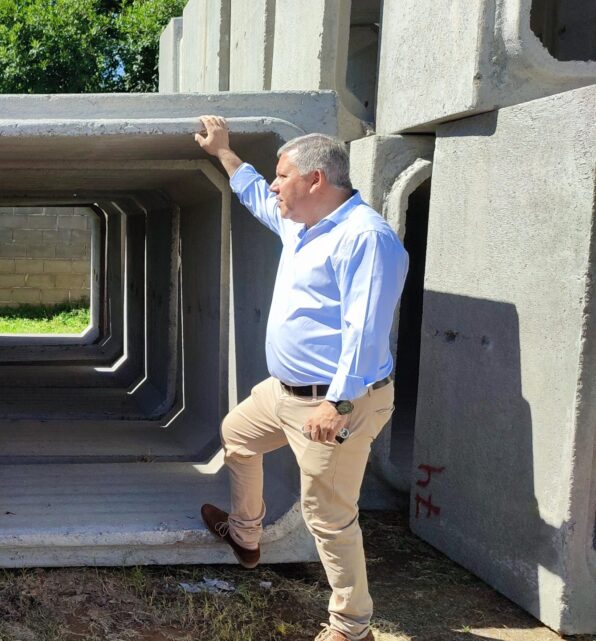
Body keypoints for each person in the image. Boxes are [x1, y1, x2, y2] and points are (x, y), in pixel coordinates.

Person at [194, 115, 407, 641]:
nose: (273, 183)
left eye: (281, 174)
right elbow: (255, 197)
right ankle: (246, 534)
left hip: (337, 401)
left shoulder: (366, 238)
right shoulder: (302, 224)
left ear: (315, 180)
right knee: (236, 435)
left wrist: (337, 403)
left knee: (329, 516)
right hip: (283, 393)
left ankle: (351, 626)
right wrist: (223, 152)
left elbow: (367, 329)